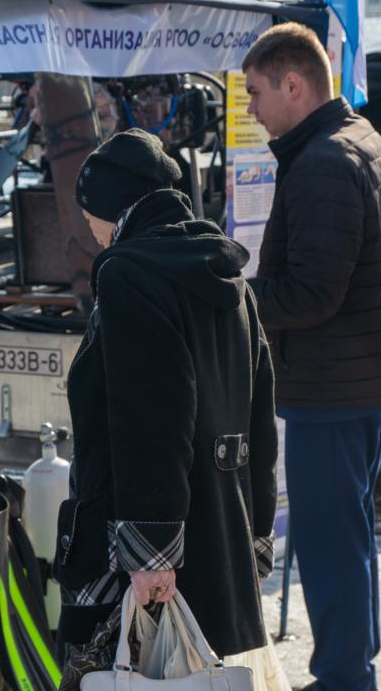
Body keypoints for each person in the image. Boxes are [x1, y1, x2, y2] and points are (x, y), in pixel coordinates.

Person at [54, 128, 278, 661]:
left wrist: (151, 552)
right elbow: (260, 421)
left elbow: (151, 419)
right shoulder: (229, 279)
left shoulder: (129, 275)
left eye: (92, 218)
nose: (93, 233)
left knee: (128, 673)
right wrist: (257, 532)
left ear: (116, 208)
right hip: (222, 533)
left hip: (135, 545)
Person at [243, 23, 381, 690]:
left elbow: (312, 293)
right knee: (347, 531)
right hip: (360, 375)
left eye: (256, 92)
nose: (250, 108)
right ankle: (352, 664)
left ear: (293, 84)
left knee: (326, 541)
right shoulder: (352, 138)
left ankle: (344, 676)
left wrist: (236, 298)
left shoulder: (321, 163)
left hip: (335, 386)